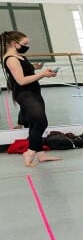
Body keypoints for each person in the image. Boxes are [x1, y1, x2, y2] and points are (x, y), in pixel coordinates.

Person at [2, 31, 60, 167]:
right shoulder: (11, 59)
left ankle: (40, 154)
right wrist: (42, 75)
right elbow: (21, 80)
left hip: (33, 92)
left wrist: (36, 68)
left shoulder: (18, 56)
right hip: (25, 93)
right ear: (14, 43)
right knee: (41, 123)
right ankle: (30, 151)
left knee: (35, 123)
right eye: (25, 44)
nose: (27, 46)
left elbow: (23, 70)